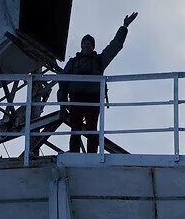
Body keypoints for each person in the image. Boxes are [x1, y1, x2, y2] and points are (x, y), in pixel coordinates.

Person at [57, 12, 138, 153]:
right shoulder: (73, 62)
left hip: (93, 99)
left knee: (92, 129)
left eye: (89, 44)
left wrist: (124, 27)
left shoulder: (99, 61)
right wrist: (62, 106)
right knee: (75, 128)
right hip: (76, 98)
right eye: (85, 43)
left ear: (93, 47)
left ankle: (91, 156)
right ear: (81, 45)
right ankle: (74, 154)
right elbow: (63, 83)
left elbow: (115, 46)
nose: (87, 45)